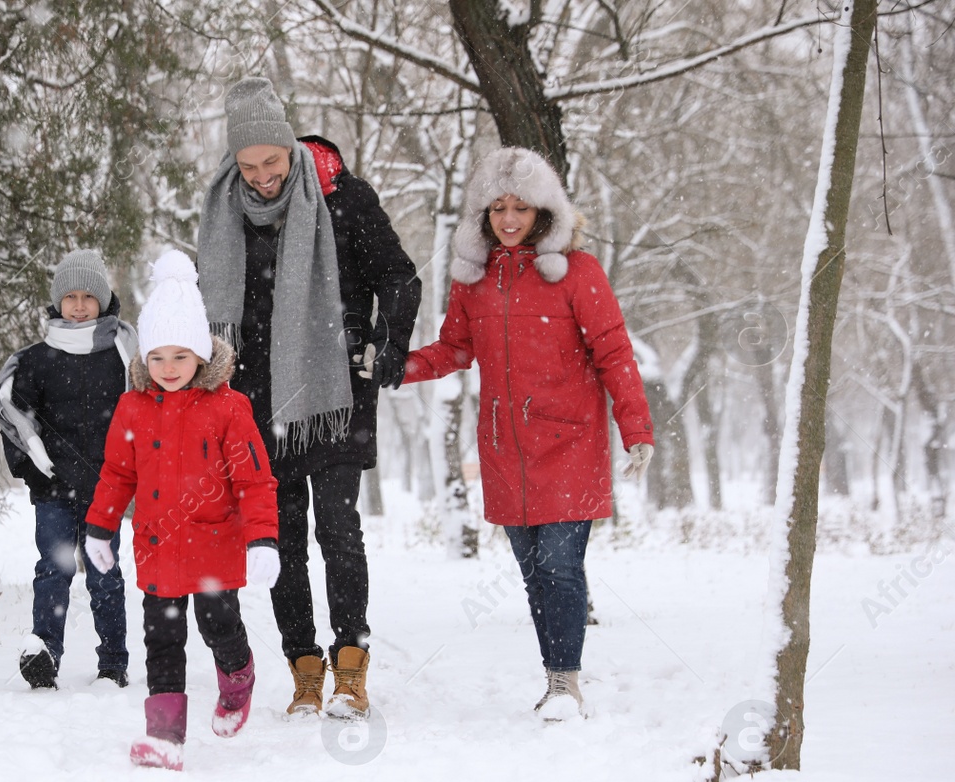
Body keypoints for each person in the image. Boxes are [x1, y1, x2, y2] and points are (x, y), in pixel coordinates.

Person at [399, 146, 655, 721]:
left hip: (569, 441)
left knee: (561, 566)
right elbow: (456, 348)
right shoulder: (476, 279)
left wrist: (636, 428)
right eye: (498, 208)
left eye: (521, 207)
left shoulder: (578, 273)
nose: (509, 219)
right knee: (533, 570)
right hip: (504, 448)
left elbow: (614, 352)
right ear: (484, 215)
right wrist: (398, 368)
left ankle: (565, 686)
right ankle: (554, 677)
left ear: (543, 212)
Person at [197, 77, 420, 723]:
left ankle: (351, 666)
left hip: (332, 393)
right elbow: (199, 313)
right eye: (250, 166)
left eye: (273, 161)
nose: (264, 177)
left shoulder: (340, 197)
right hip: (255, 401)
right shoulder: (222, 211)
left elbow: (399, 278)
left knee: (338, 531)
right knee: (279, 539)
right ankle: (304, 672)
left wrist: (389, 346)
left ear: (290, 147)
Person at [84, 250, 280, 771]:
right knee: (162, 641)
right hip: (157, 548)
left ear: (200, 354)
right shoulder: (132, 408)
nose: (168, 368)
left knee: (219, 627)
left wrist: (263, 538)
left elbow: (254, 479)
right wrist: (100, 528)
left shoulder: (227, 408)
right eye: (157, 357)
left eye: (180, 356)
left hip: (215, 546)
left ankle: (237, 676)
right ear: (143, 359)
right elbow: (117, 475)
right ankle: (165, 738)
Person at [0, 249, 135, 690]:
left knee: (104, 573)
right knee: (53, 569)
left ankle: (113, 662)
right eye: (69, 296)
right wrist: (33, 462)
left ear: (103, 300)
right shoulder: (37, 359)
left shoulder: (123, 354)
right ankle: (45, 652)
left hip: (105, 486)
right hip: (53, 486)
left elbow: (142, 410)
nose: (78, 305)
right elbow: (14, 412)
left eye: (88, 296)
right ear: (57, 302)